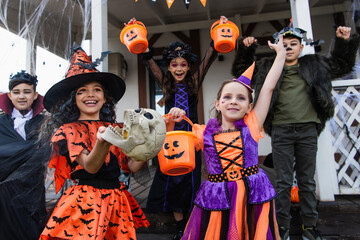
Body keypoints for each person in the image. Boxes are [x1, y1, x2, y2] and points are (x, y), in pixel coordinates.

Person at [231, 26, 360, 240]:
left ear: (301, 47)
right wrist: (247, 49)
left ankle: (309, 227)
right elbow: (241, 72)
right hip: (281, 130)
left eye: (293, 44)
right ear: (277, 47)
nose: (288, 47)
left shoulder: (315, 65)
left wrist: (344, 41)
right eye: (284, 44)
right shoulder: (267, 67)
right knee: (283, 182)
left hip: (308, 129)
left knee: (307, 181)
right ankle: (282, 227)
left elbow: (343, 65)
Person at [165, 35, 285, 240]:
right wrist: (171, 121)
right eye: (227, 97)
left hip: (251, 194)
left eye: (241, 98)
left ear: (249, 107)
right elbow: (171, 145)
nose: (233, 101)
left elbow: (268, 89)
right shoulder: (203, 132)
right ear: (218, 103)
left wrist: (281, 54)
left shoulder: (251, 125)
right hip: (218, 196)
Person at [39, 44, 149, 239]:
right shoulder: (67, 131)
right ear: (73, 99)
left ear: (105, 97)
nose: (91, 94)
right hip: (85, 203)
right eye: (82, 91)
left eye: (97, 89)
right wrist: (103, 142)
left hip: (117, 200)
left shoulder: (116, 129)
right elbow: (90, 166)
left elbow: (132, 166)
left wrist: (149, 145)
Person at [140, 16, 226, 240]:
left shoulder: (194, 83)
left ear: (189, 67)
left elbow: (208, 59)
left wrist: (219, 30)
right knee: (173, 179)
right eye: (174, 64)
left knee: (192, 178)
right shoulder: (166, 83)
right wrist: (140, 39)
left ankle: (193, 222)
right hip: (171, 139)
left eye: (183, 64)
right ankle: (180, 227)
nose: (179, 68)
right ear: (168, 66)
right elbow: (149, 62)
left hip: (191, 139)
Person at [0, 71, 47, 240]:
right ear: (9, 95)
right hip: (4, 190)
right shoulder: (1, 124)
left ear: (35, 95)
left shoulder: (44, 123)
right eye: (16, 92)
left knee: (33, 231)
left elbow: (45, 152)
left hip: (33, 189)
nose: (21, 96)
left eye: (27, 92)